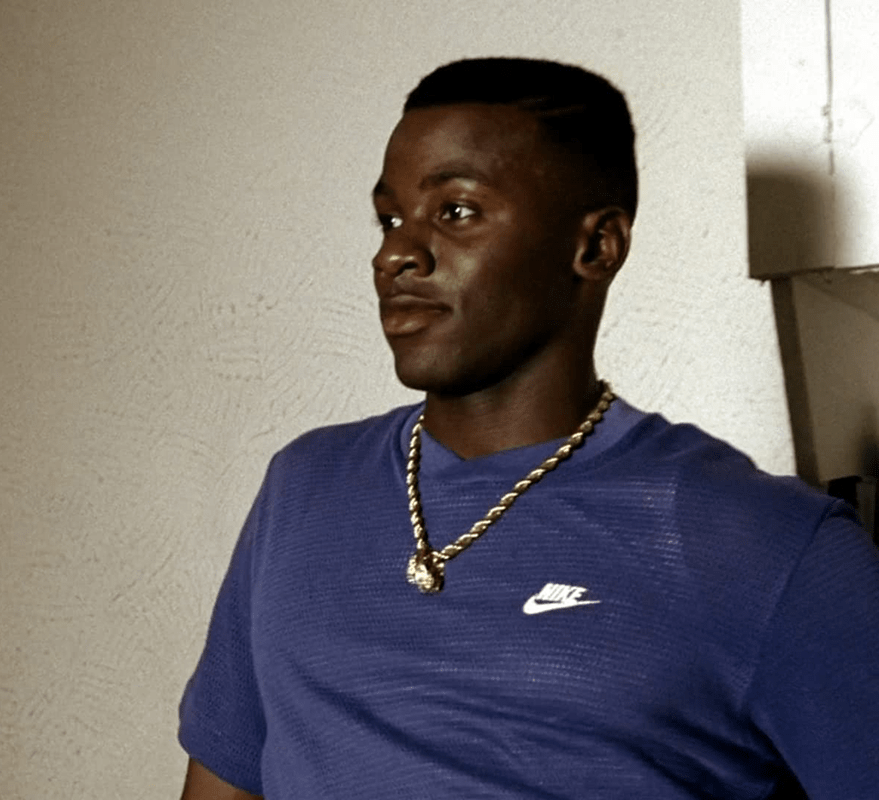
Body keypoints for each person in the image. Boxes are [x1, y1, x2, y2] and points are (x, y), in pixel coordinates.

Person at [176, 57, 879, 799]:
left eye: (456, 212)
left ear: (596, 248)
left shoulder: (771, 548)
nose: (395, 253)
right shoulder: (304, 490)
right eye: (390, 218)